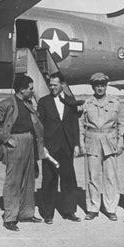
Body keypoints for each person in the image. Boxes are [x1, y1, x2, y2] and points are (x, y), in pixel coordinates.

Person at [0, 74, 45, 231]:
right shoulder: (7, 104)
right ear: (22, 89)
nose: (32, 91)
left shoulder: (27, 103)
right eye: (30, 89)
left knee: (29, 179)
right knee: (13, 181)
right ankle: (10, 218)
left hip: (29, 142)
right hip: (15, 142)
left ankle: (26, 213)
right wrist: (6, 138)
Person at [79, 72, 124, 221]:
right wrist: (81, 143)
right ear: (93, 87)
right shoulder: (87, 104)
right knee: (93, 177)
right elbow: (80, 125)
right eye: (97, 86)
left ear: (106, 86)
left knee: (111, 177)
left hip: (110, 142)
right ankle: (93, 208)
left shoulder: (115, 103)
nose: (100, 88)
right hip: (92, 142)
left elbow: (122, 124)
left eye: (103, 85)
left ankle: (111, 208)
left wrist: (120, 143)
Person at [37, 72, 81, 225]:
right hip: (50, 147)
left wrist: (76, 144)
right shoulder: (43, 102)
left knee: (68, 180)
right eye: (50, 84)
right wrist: (42, 146)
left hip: (66, 146)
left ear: (62, 85)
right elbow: (40, 126)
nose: (52, 87)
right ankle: (48, 213)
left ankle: (69, 211)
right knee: (49, 180)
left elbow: (74, 124)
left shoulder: (70, 101)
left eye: (55, 85)